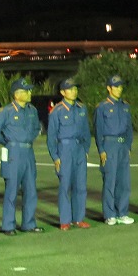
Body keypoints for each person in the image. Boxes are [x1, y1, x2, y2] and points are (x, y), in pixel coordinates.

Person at [0, 77, 44, 235]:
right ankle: (8, 226)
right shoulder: (7, 111)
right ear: (17, 94)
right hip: (13, 153)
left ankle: (29, 224)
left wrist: (28, 139)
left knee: (31, 190)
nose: (30, 93)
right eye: (27, 91)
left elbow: (35, 129)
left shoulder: (32, 110)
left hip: (28, 152)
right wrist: (8, 141)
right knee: (11, 191)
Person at [47, 77, 92, 230]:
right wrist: (55, 156)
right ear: (62, 92)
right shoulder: (56, 111)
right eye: (71, 89)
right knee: (65, 186)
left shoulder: (81, 108)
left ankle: (79, 218)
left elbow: (86, 131)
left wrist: (86, 150)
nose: (74, 91)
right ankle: (65, 220)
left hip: (79, 149)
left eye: (75, 88)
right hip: (64, 150)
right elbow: (51, 137)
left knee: (80, 185)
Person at [94, 75, 134, 225]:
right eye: (116, 87)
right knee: (110, 181)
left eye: (120, 87)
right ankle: (109, 214)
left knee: (124, 182)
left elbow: (129, 128)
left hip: (123, 146)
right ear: (109, 88)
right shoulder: (102, 107)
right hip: (109, 145)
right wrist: (101, 150)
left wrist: (128, 146)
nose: (119, 89)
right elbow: (98, 130)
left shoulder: (125, 106)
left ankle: (122, 212)